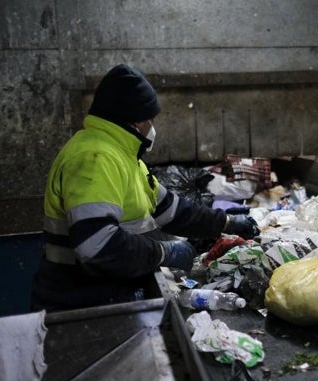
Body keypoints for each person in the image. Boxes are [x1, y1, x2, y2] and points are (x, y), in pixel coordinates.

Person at [31, 64, 259, 311]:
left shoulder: (125, 157)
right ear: (133, 120)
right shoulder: (95, 158)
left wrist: (225, 223)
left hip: (108, 292)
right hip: (79, 302)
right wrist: (165, 252)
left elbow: (173, 210)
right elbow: (97, 246)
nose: (152, 126)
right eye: (149, 119)